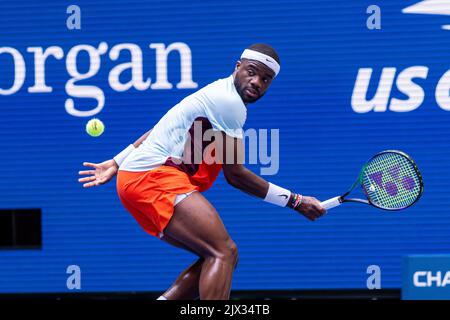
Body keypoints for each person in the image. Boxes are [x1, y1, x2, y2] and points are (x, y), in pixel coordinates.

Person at [78, 43, 326, 300]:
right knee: (223, 252)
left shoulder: (215, 93)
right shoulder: (228, 103)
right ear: (237, 66)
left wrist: (118, 161)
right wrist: (295, 201)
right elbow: (235, 176)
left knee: (217, 255)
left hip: (137, 178)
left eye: (266, 79)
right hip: (152, 178)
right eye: (251, 72)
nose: (257, 83)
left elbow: (161, 128)